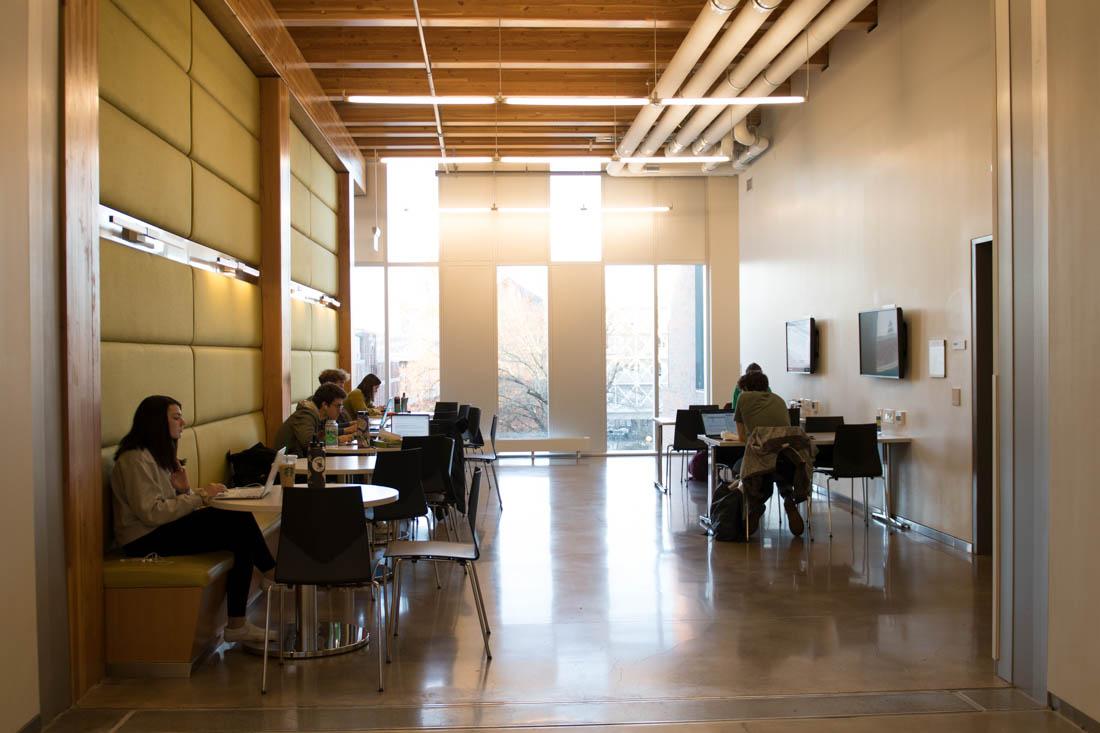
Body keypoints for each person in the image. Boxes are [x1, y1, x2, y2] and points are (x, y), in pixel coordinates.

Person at [111, 396, 276, 643]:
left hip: (159, 528)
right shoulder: (135, 459)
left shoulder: (157, 455)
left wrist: (185, 490)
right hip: (143, 539)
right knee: (237, 523)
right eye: (176, 417)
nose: (183, 422)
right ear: (156, 422)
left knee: (239, 531)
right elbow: (152, 513)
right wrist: (199, 496)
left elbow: (168, 506)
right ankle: (272, 574)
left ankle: (239, 621)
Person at [732, 370, 805, 537]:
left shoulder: (744, 399)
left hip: (759, 463)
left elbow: (743, 437)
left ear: (747, 388)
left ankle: (757, 505)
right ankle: (788, 498)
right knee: (775, 464)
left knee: (746, 466)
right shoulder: (779, 400)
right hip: (788, 462)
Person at [275, 382, 351, 456]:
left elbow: (326, 433)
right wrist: (339, 439)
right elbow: (309, 443)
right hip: (289, 464)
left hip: (302, 459)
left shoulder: (321, 415)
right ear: (325, 405)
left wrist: (347, 429)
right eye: (338, 406)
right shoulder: (305, 415)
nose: (340, 411)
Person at [317, 368, 366, 436]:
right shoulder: (324, 402)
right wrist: (347, 430)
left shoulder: (336, 400)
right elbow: (325, 430)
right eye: (341, 382)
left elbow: (334, 425)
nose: (343, 386)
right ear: (330, 384)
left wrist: (350, 424)